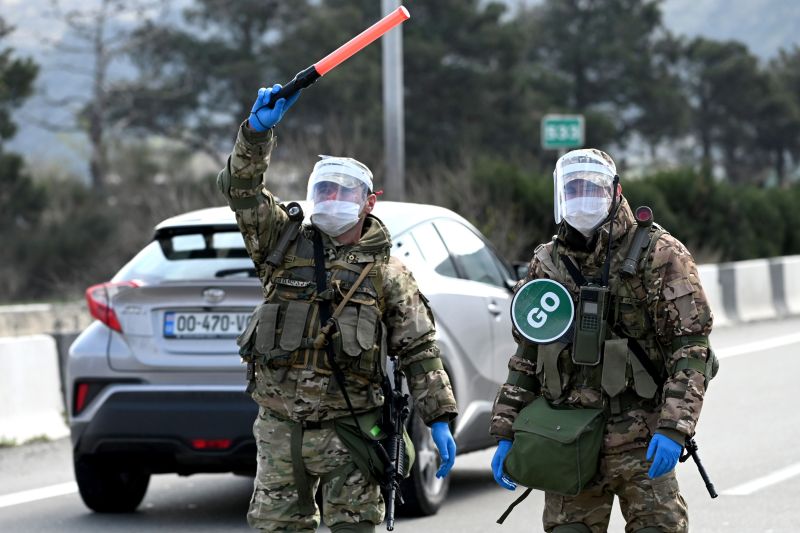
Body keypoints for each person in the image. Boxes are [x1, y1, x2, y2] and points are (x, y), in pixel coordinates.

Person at [216, 84, 458, 532]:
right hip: (280, 426)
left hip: (351, 429)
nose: (332, 201)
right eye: (324, 191)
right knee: (276, 527)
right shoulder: (283, 245)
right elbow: (242, 192)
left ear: (369, 202)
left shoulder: (388, 274)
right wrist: (254, 134)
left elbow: (419, 349)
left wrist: (439, 418)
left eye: (344, 193)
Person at [489, 148, 715, 533]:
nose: (581, 197)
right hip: (567, 437)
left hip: (641, 438)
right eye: (572, 188)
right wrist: (505, 426)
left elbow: (691, 351)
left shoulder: (659, 255)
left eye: (590, 187)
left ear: (615, 191)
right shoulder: (547, 262)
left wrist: (674, 428)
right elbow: (528, 352)